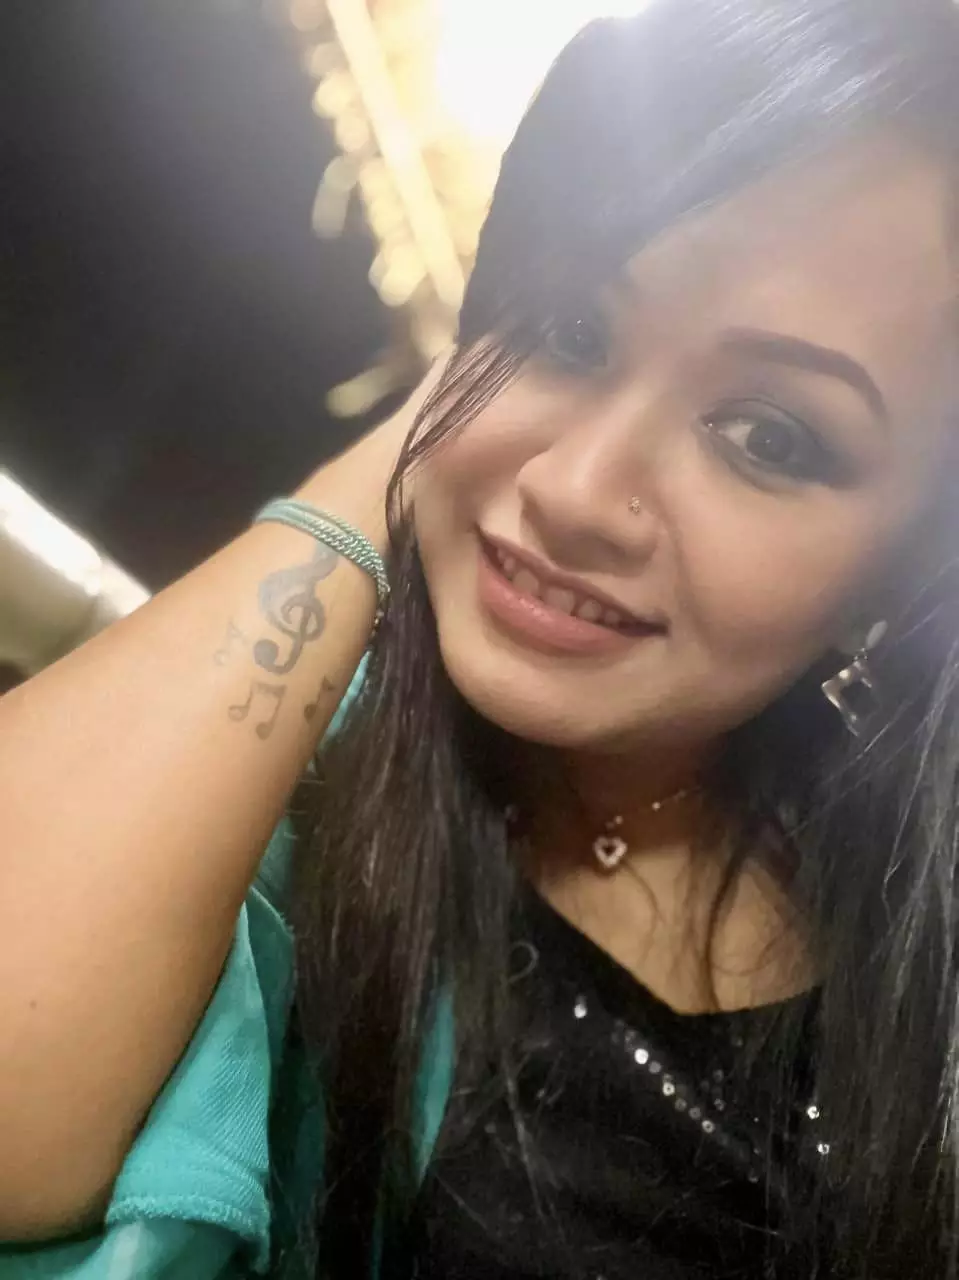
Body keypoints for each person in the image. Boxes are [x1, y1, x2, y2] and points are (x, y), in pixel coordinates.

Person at [3, 0, 959, 1275]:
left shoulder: (910, 942)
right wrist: (416, 446)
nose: (574, 487)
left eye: (767, 436)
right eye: (568, 327)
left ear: (900, 573)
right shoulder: (269, 779)